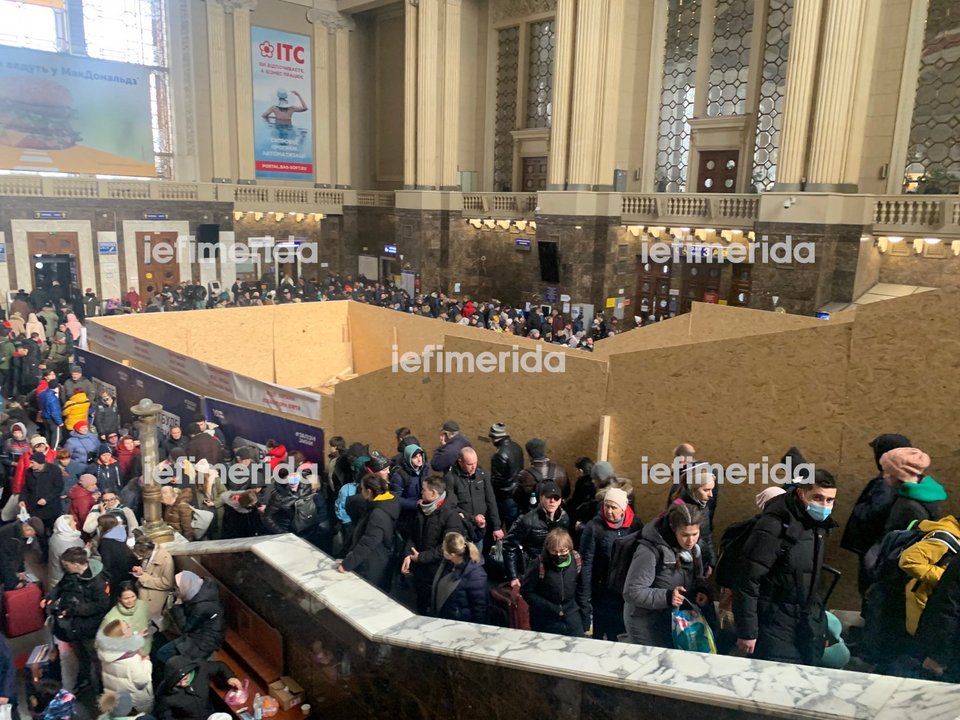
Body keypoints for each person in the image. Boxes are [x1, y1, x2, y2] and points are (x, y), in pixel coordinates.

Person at [733, 470, 838, 665]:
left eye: (830, 500)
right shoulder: (774, 525)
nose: (824, 505)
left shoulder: (817, 527)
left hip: (804, 620)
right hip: (773, 621)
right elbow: (748, 578)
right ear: (801, 493)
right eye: (818, 498)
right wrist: (748, 631)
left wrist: (819, 625)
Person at [623, 503, 709, 648]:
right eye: (684, 535)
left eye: (695, 534)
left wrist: (701, 589)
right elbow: (632, 592)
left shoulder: (695, 548)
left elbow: (697, 575)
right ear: (673, 529)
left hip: (673, 619)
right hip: (645, 622)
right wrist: (668, 597)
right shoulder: (649, 551)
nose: (690, 541)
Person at [45, 546, 112, 693]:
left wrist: (74, 610)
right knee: (80, 655)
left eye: (66, 565)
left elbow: (101, 605)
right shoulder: (71, 574)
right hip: (73, 625)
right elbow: (61, 586)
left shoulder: (98, 581)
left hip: (90, 627)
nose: (64, 567)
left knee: (96, 658)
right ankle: (84, 679)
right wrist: (50, 597)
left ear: (76, 564)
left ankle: (102, 686)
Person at [579, 487, 641, 641]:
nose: (609, 511)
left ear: (623, 509)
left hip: (624, 590)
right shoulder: (594, 527)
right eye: (606, 506)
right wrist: (585, 596)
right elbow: (586, 563)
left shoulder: (635, 524)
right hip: (601, 590)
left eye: (614, 507)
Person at [401, 475, 468, 614]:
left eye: (424, 489)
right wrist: (408, 554)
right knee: (420, 603)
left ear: (433, 493)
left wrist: (421, 557)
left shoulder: (451, 516)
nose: (421, 492)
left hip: (438, 572)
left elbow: (448, 547)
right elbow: (412, 535)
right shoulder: (422, 508)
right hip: (420, 570)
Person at [898, 514, 960, 635]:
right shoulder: (944, 540)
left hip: (938, 599)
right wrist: (948, 578)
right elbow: (908, 561)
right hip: (924, 600)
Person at [522, 528, 590, 637]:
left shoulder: (577, 560)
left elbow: (583, 591)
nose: (558, 555)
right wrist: (550, 607)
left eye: (563, 551)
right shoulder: (539, 564)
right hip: (545, 619)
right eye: (554, 551)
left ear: (569, 549)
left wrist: (585, 619)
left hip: (572, 616)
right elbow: (526, 592)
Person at [338, 473, 400, 593]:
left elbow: (368, 542)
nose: (360, 492)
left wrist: (347, 564)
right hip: (378, 559)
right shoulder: (387, 502)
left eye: (362, 489)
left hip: (372, 564)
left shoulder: (378, 513)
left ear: (369, 491)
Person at [504, 481, 571, 589]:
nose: (552, 501)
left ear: (560, 501)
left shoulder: (564, 519)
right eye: (548, 497)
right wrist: (513, 577)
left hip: (552, 569)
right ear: (541, 498)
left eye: (556, 498)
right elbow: (509, 546)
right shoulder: (527, 520)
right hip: (530, 570)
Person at [155, 571, 225, 665]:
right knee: (163, 652)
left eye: (178, 588)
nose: (176, 591)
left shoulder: (201, 606)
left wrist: (177, 606)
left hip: (205, 640)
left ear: (185, 586)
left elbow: (185, 628)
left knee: (164, 654)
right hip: (198, 631)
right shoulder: (198, 592)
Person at [444, 447, 502, 550]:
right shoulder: (451, 478)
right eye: (469, 464)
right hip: (462, 528)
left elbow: (491, 500)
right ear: (460, 462)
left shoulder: (482, 474)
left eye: (475, 463)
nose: (473, 467)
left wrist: (496, 526)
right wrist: (472, 518)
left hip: (479, 528)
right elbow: (451, 506)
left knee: (477, 555)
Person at [155, 655, 241, 720]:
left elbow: (219, 666)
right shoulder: (164, 694)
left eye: (185, 679)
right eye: (178, 682)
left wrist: (230, 677)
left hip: (209, 712)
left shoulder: (201, 669)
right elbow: (164, 715)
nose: (183, 684)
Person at [95, 617, 153, 714]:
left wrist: (138, 637)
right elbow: (141, 681)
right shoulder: (131, 660)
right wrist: (146, 662)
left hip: (115, 696)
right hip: (134, 701)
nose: (130, 626)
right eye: (127, 627)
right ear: (122, 637)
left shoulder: (106, 651)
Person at [881, 447, 946, 532]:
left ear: (901, 475)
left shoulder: (909, 508)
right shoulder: (925, 493)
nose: (884, 476)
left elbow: (905, 537)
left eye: (888, 472)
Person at [668, 462, 717, 573]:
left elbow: (706, 536)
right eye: (706, 490)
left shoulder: (703, 506)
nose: (711, 495)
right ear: (693, 489)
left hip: (700, 562)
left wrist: (710, 562)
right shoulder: (678, 510)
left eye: (712, 490)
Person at [432, 531, 488, 623]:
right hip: (446, 620)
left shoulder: (476, 576)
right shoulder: (448, 564)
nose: (442, 549)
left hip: (460, 624)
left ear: (452, 555)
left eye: (444, 548)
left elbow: (480, 608)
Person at [514, 438, 569, 510]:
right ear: (544, 451)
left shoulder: (524, 475)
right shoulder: (561, 470)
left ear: (529, 455)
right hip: (555, 511)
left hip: (532, 512)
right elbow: (566, 493)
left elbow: (517, 497)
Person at [488, 423, 524, 530]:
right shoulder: (517, 447)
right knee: (514, 528)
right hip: (517, 494)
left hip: (504, 497)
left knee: (497, 527)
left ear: (494, 437)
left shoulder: (499, 454)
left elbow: (496, 481)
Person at [389, 443, 429, 539]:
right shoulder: (399, 476)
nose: (419, 459)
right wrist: (415, 504)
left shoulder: (426, 469)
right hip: (407, 518)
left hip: (424, 513)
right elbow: (396, 498)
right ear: (408, 459)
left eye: (420, 456)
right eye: (415, 457)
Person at [101, 582, 153, 654]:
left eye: (133, 596)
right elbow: (102, 644)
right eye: (126, 598)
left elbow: (149, 624)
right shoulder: (110, 618)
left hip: (145, 652)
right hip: (125, 657)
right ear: (119, 598)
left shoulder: (142, 606)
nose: (130, 601)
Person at [131, 538, 176, 620]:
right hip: (143, 597)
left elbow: (167, 583)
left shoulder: (165, 559)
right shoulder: (148, 556)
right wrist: (140, 572)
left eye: (141, 555)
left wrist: (143, 577)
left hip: (154, 601)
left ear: (146, 551)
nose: (140, 558)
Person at [22, 451, 63, 534]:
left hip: (50, 509)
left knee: (48, 531)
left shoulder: (55, 471)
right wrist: (22, 499)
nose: (30, 465)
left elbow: (58, 488)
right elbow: (26, 488)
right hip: (34, 508)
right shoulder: (29, 472)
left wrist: (46, 499)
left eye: (32, 463)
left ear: (40, 463)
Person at [95, 514, 136, 598]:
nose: (98, 526)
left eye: (99, 524)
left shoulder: (106, 542)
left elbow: (107, 562)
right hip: (124, 570)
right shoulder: (121, 534)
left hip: (113, 575)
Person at [261, 470, 311, 534]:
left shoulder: (307, 487)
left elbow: (317, 505)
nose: (293, 485)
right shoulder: (279, 496)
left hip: (308, 528)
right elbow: (267, 516)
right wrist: (281, 532)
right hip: (290, 530)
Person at [0, 516, 43, 591]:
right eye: (32, 533)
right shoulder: (10, 538)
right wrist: (13, 583)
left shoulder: (20, 533)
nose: (32, 536)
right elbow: (4, 562)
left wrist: (21, 569)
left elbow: (20, 553)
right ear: (27, 528)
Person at [48, 515, 83, 587]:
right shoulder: (69, 544)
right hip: (65, 581)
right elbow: (75, 564)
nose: (75, 523)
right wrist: (87, 551)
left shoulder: (55, 536)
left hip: (54, 574)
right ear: (66, 527)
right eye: (72, 522)